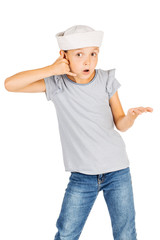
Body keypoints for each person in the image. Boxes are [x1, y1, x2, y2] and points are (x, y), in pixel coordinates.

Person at [4, 25, 153, 240]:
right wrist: (52, 69)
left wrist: (130, 116)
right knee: (66, 234)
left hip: (118, 171)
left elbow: (120, 124)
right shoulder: (56, 84)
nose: (88, 61)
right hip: (82, 176)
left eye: (93, 53)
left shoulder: (105, 79)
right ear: (64, 56)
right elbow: (10, 85)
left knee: (126, 233)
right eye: (79, 54)